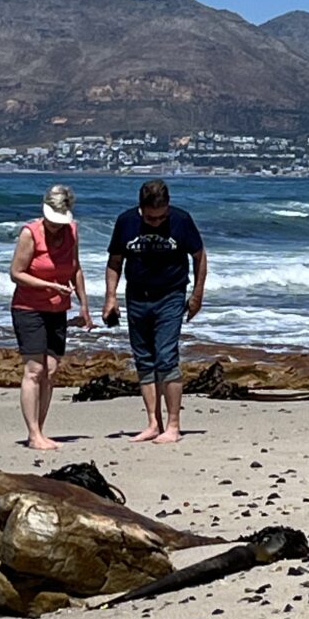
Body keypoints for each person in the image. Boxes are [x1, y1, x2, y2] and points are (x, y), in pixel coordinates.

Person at [103, 179, 206, 443]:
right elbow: (115, 261)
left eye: (161, 218)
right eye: (151, 218)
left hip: (171, 296)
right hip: (137, 296)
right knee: (144, 359)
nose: (157, 223)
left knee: (166, 356)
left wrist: (197, 294)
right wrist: (110, 297)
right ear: (141, 209)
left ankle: (173, 425)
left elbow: (199, 255)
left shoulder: (181, 220)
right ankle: (153, 423)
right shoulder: (126, 222)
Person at [10, 184, 92, 449]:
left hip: (58, 309)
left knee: (52, 370)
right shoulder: (30, 233)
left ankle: (41, 430)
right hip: (29, 307)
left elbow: (75, 268)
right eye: (53, 221)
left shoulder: (72, 231)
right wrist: (47, 286)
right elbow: (16, 273)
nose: (56, 226)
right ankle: (33, 434)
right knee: (34, 369)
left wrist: (84, 305)